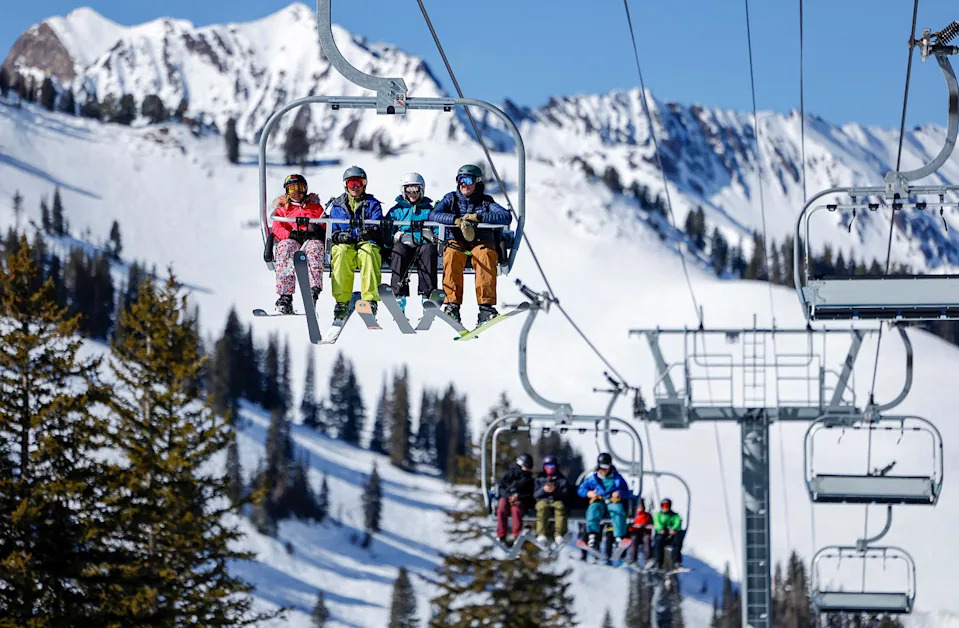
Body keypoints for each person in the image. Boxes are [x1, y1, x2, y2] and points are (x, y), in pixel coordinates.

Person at [428, 164, 511, 326]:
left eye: (468, 180)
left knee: (485, 255)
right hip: (457, 241)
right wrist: (455, 220)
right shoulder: (451, 199)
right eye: (460, 180)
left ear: (477, 182)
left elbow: (505, 216)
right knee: (451, 254)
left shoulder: (486, 202)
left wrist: (479, 217)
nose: (463, 184)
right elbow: (434, 214)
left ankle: (485, 307)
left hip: (480, 242)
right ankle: (452, 305)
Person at [326, 166, 384, 321]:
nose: (355, 187)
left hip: (366, 242)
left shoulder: (372, 204)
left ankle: (370, 299)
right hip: (346, 243)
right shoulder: (337, 205)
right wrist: (339, 236)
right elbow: (332, 228)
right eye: (351, 183)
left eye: (359, 182)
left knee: (369, 253)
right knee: (341, 253)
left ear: (365, 184)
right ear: (345, 185)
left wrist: (368, 232)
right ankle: (342, 301)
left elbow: (378, 224)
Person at [270, 174, 325, 315]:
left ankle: (313, 292)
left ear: (305, 189)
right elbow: (277, 228)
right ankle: (285, 297)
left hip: (310, 240)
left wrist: (317, 230)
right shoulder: (282, 209)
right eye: (291, 189)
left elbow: (324, 224)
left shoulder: (315, 208)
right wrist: (290, 234)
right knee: (285, 248)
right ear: (286, 191)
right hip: (292, 240)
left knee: (316, 247)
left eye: (299, 188)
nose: (296, 193)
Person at [386, 172, 438, 311]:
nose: (412, 193)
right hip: (405, 246)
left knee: (428, 250)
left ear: (421, 190)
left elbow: (438, 228)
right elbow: (387, 231)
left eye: (416, 189)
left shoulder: (429, 210)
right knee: (399, 250)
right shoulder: (397, 211)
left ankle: (428, 295)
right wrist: (397, 237)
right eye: (408, 190)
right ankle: (398, 295)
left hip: (423, 246)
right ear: (403, 191)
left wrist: (432, 236)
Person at [577, 452, 630, 551]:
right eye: (602, 467)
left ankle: (619, 536)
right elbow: (581, 489)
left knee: (618, 510)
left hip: (612, 501)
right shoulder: (593, 479)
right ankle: (592, 534)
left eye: (606, 467)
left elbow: (626, 491)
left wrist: (619, 493)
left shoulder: (617, 478)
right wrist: (588, 493)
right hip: (599, 500)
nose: (604, 470)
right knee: (593, 510)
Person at [496, 452, 534, 545]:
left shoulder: (528, 478)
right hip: (507, 497)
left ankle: (517, 534)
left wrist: (518, 496)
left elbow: (529, 493)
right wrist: (508, 495)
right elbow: (502, 487)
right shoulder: (510, 474)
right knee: (502, 505)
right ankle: (501, 535)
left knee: (516, 508)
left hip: (520, 500)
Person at [533, 455, 569, 545]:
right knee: (542, 508)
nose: (550, 468)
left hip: (557, 500)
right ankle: (541, 533)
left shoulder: (561, 479)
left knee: (560, 508)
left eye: (552, 466)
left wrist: (555, 491)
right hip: (543, 499)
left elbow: (565, 493)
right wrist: (544, 490)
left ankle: (559, 534)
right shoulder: (539, 478)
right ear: (544, 467)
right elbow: (535, 494)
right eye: (548, 466)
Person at [651, 497, 684, 569]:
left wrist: (674, 529)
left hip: (671, 535)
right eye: (664, 505)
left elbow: (678, 522)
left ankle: (676, 561)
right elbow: (657, 522)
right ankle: (658, 562)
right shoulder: (658, 515)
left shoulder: (674, 515)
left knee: (678, 540)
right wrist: (660, 529)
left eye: (667, 506)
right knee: (658, 541)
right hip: (662, 534)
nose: (665, 507)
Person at [627, 498, 653, 565]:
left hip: (644, 533)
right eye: (639, 506)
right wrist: (633, 527)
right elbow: (629, 526)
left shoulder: (647, 515)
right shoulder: (633, 515)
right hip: (635, 533)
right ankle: (633, 559)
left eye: (641, 506)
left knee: (647, 539)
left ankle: (648, 559)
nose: (640, 508)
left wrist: (644, 527)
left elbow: (651, 526)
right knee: (634, 539)